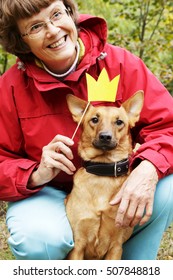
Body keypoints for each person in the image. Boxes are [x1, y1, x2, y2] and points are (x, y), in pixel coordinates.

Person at [0, 0, 173, 260]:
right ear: (20, 41)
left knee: (167, 185)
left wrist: (149, 167)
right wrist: (35, 174)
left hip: (117, 182)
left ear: (70, 13)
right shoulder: (10, 87)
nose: (53, 31)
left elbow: (167, 124)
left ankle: (135, 265)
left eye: (57, 14)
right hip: (49, 191)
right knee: (38, 237)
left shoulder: (121, 64)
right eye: (36, 26)